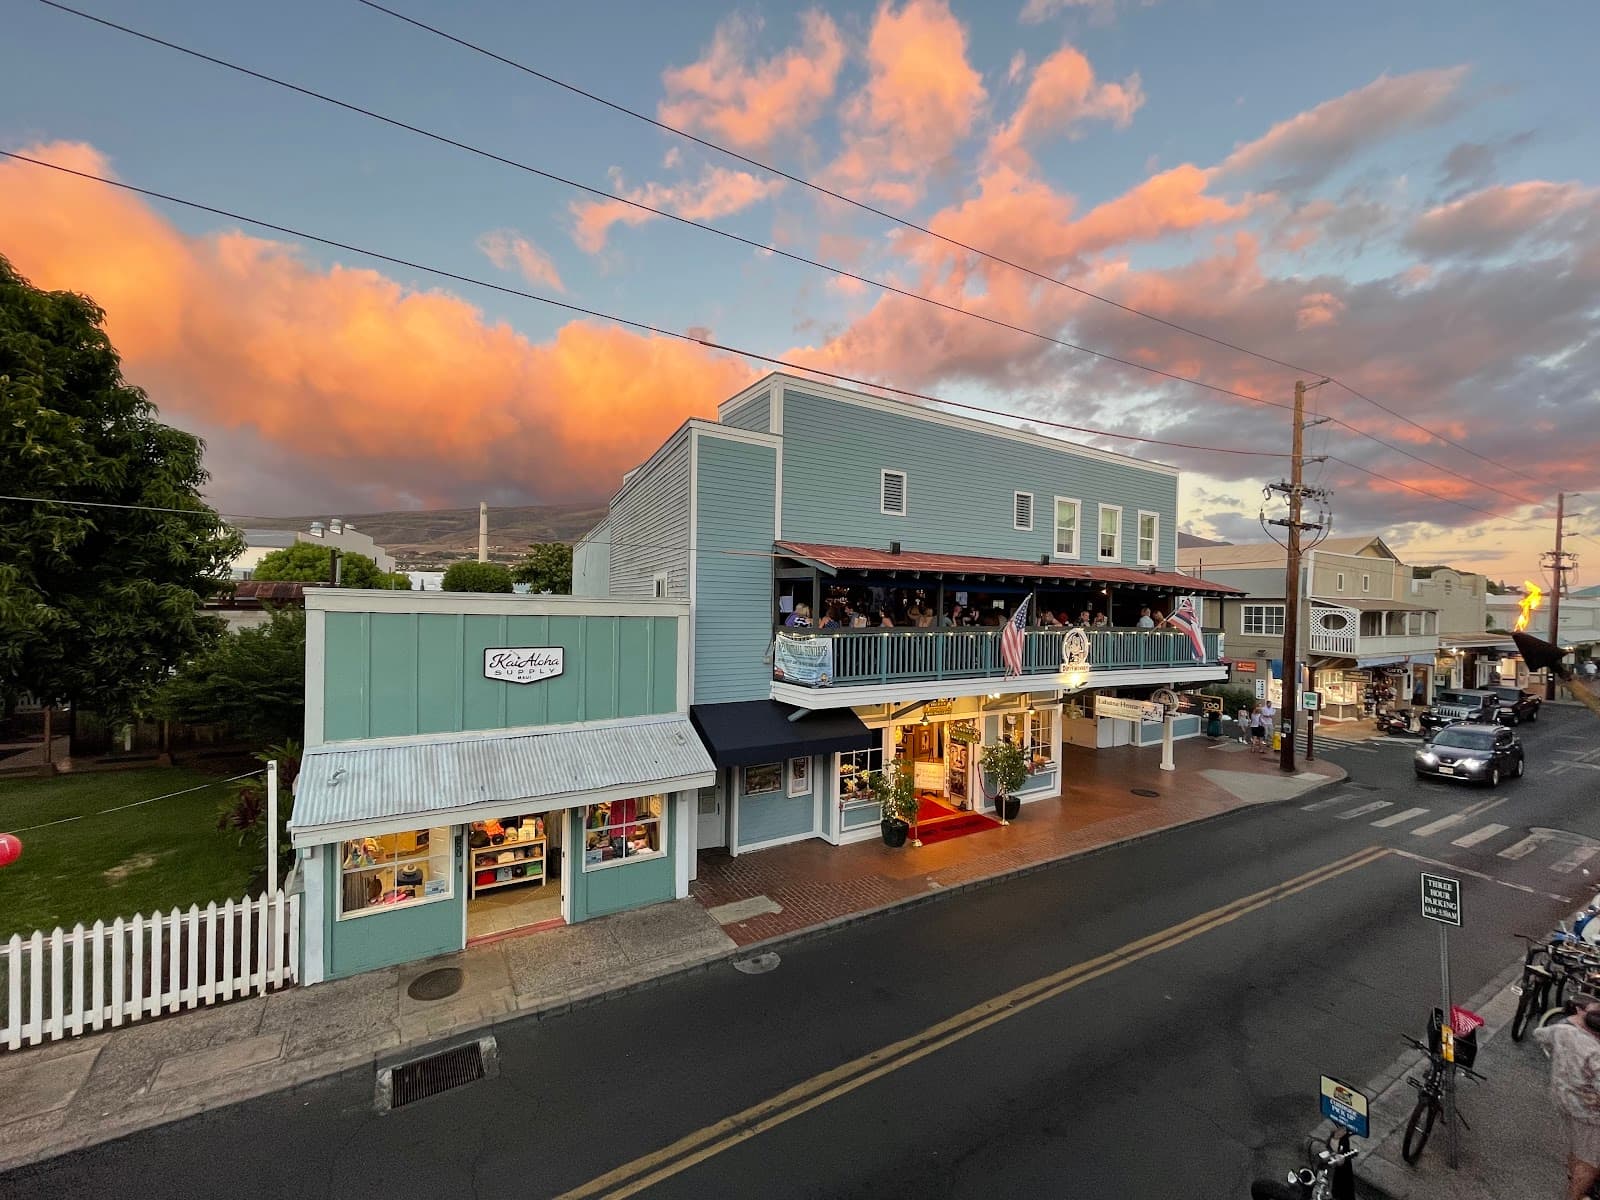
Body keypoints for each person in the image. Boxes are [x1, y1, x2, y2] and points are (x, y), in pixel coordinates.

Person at [1534, 1001, 1600, 1200]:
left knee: (1576, 1148)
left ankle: (1573, 1177)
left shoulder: (1563, 1031)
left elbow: (1539, 1035)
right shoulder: (1595, 1054)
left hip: (1562, 1099)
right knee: (1591, 1162)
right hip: (1589, 1113)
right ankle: (1576, 1194)